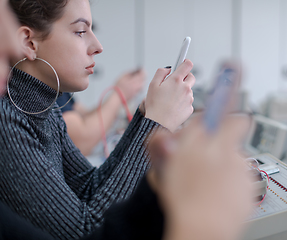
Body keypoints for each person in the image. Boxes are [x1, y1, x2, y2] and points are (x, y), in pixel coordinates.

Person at [0, 1, 254, 239]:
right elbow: (85, 232)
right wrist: (156, 122)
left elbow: (90, 187)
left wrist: (145, 116)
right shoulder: (8, 122)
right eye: (80, 31)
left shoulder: (45, 110)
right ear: (29, 43)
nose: (97, 46)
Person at [56, 68, 146, 156]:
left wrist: (120, 91)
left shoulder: (62, 91)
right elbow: (79, 144)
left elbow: (85, 117)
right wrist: (120, 93)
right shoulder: (52, 90)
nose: (98, 51)